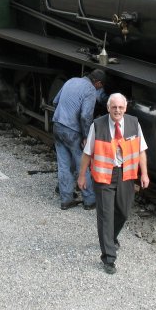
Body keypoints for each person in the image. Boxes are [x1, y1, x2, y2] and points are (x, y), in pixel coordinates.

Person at [78, 93, 149, 275]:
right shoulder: (98, 125)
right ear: (108, 108)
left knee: (123, 212)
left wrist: (145, 174)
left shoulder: (134, 123)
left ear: (125, 108)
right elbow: (87, 153)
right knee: (105, 216)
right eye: (114, 107)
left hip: (126, 174)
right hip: (103, 176)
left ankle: (111, 237)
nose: (117, 110)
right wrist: (82, 176)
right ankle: (109, 258)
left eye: (121, 107)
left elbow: (141, 151)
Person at [51, 69, 106, 210]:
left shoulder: (71, 80)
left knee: (63, 164)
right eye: (102, 86)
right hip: (72, 131)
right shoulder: (90, 90)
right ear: (98, 83)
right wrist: (86, 136)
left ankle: (66, 199)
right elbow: (85, 116)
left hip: (57, 125)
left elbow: (55, 101)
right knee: (83, 164)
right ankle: (89, 200)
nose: (101, 88)